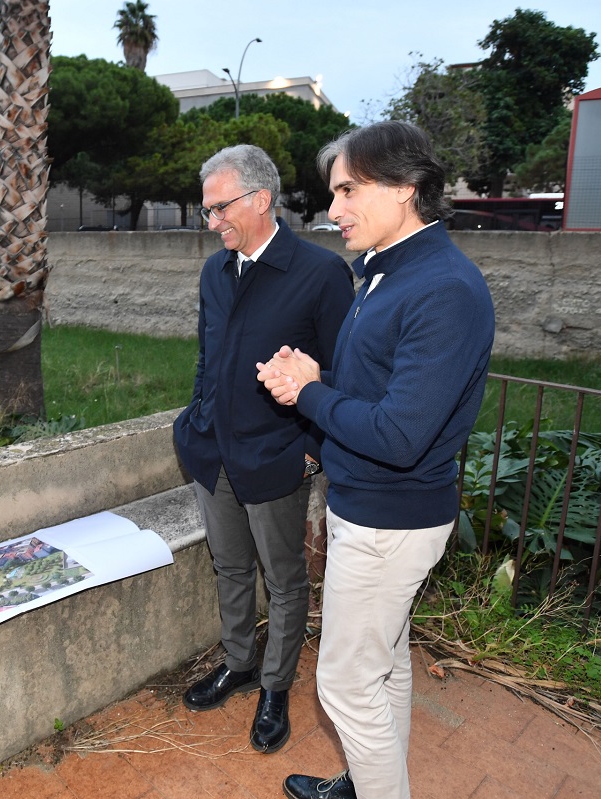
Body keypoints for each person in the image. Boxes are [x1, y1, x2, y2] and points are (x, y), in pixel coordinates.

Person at [256, 121, 495, 799]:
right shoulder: (390, 271)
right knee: (384, 662)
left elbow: (398, 433)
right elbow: (381, 389)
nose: (333, 210)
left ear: (407, 188)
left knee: (344, 681)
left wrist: (310, 393)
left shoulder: (442, 287)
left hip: (391, 519)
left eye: (348, 190)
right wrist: (318, 377)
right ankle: (367, 782)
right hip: (371, 508)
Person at [172, 144, 354, 753]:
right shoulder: (214, 272)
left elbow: (341, 376)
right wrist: (195, 420)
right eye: (207, 211)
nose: (212, 222)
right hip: (212, 453)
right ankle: (239, 663)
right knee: (229, 566)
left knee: (283, 579)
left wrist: (311, 452)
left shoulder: (321, 274)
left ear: (261, 200)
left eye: (220, 209)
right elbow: (207, 357)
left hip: (278, 456)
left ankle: (275, 687)